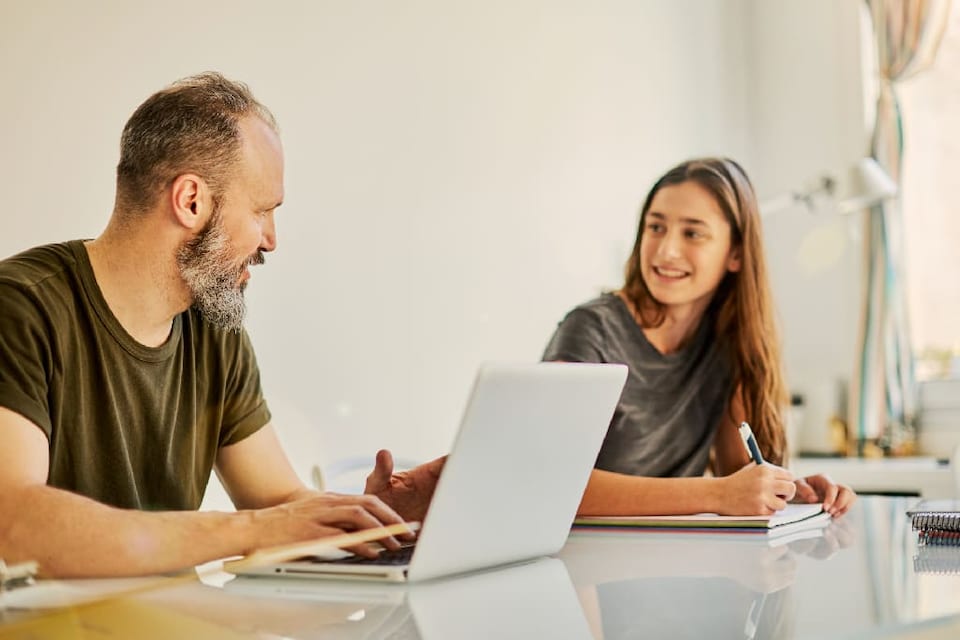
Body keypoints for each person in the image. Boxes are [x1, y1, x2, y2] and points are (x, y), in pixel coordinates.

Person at [0, 72, 442, 578]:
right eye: (261, 211)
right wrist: (244, 530)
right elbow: (15, 522)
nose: (271, 239)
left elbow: (279, 507)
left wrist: (378, 521)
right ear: (191, 201)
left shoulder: (214, 330)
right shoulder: (19, 309)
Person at [542, 157, 856, 518]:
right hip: (584, 563)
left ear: (736, 253)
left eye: (692, 233)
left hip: (669, 559)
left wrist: (785, 491)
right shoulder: (589, 329)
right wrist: (717, 495)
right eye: (655, 228)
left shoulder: (727, 340)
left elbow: (736, 476)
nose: (666, 251)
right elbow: (551, 483)